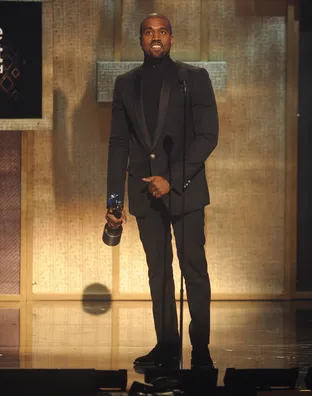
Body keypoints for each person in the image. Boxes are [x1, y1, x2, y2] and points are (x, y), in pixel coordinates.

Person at [106, 13, 218, 370]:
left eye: (162, 32)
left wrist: (172, 177)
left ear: (172, 39)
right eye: (148, 32)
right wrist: (113, 200)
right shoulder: (125, 84)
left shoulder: (194, 79)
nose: (156, 37)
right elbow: (118, 143)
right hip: (143, 193)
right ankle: (167, 346)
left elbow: (207, 136)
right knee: (159, 271)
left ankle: (200, 348)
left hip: (184, 191)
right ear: (140, 40)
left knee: (194, 270)